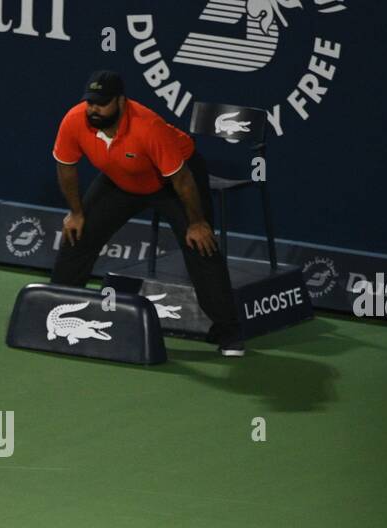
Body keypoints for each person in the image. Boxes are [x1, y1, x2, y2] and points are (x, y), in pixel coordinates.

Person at [51, 70, 245, 356]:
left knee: (201, 246)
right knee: (78, 233)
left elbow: (183, 180)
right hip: (120, 180)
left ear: (120, 101)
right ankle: (53, 312)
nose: (94, 109)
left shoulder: (147, 127)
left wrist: (197, 222)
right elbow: (65, 167)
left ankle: (228, 333)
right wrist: (76, 212)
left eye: (102, 103)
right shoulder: (75, 120)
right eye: (91, 102)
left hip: (170, 183)